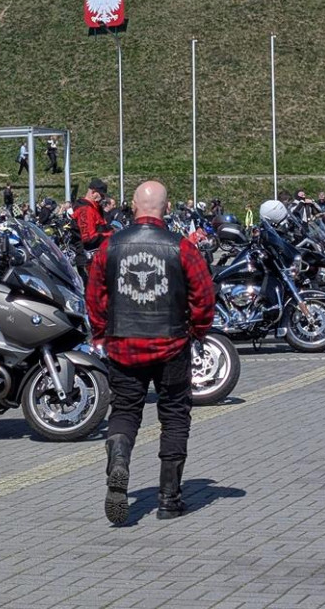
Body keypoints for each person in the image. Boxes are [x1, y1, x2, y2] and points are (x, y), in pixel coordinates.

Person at [87, 180, 215, 524]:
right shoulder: (182, 247)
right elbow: (203, 296)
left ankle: (118, 456)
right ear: (167, 207)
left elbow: (95, 295)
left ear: (132, 204)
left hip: (123, 343)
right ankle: (169, 499)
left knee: (125, 411)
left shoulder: (110, 246)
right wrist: (197, 330)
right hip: (171, 343)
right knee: (174, 417)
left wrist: (102, 332)